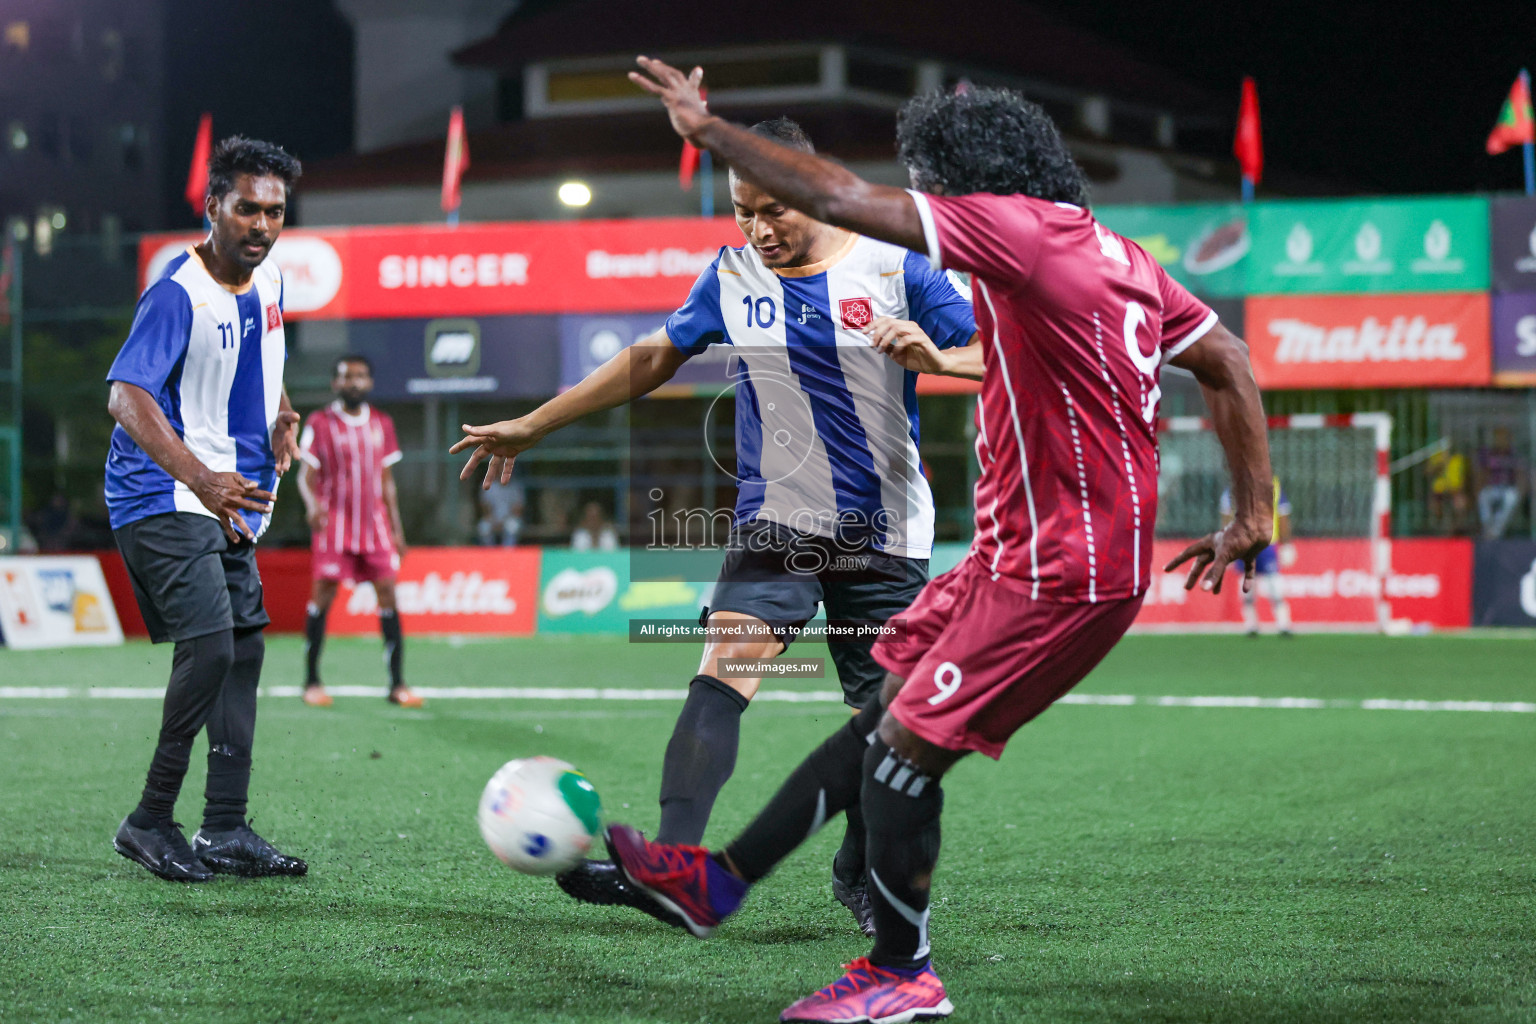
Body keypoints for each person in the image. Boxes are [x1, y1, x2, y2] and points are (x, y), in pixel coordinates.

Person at [585, 59, 1274, 1024]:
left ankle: (903, 971)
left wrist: (709, 134)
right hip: (1006, 559)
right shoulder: (1119, 254)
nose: (932, 202)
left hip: (1062, 577)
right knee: (878, 725)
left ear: (973, 182)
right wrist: (1253, 512)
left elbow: (843, 195)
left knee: (903, 750)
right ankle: (718, 882)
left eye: (936, 181)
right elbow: (1228, 358)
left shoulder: (1019, 230)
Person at [453, 116, 980, 937]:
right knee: (725, 670)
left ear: (816, 188)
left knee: (884, 728)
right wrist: (536, 423)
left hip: (886, 532)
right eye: (744, 211)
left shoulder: (897, 266)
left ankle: (856, 866)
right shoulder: (731, 276)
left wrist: (943, 359)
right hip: (777, 518)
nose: (760, 230)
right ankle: (671, 867)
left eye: (777, 209)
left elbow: (1003, 355)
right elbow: (653, 358)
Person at [104, 136, 309, 883]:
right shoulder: (176, 292)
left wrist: (281, 412)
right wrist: (202, 478)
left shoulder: (273, 277)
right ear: (214, 207)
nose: (261, 225)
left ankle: (224, 827)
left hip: (230, 496)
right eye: (247, 208)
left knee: (244, 650)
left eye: (275, 212)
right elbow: (126, 396)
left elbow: (264, 357)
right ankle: (149, 820)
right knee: (213, 648)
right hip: (162, 495)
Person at [295, 355, 421, 709]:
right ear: (336, 383)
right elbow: (305, 477)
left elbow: (387, 481)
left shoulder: (382, 423)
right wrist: (311, 505)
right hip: (334, 523)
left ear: (370, 382)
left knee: (388, 594)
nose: (354, 382)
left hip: (375, 524)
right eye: (347, 376)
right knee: (322, 594)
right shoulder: (320, 422)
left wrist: (397, 529)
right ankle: (312, 681)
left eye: (361, 376)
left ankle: (397, 685)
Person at [1221, 476, 1294, 636]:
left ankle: (1283, 624)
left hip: (1267, 543)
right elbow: (1227, 516)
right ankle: (1251, 624)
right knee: (1247, 585)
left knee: (1274, 585)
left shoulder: (1272, 485)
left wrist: (1286, 544)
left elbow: (1282, 515)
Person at [1475, 427, 1526, 540]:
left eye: (1504, 438)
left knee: (1511, 497)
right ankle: (1487, 527)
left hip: (1508, 488)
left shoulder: (1514, 453)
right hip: (1492, 487)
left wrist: (1521, 488)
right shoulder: (1489, 453)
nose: (1501, 440)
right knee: (1483, 495)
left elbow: (1520, 474)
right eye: (1498, 438)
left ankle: (1495, 532)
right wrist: (1481, 486)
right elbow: (1482, 473)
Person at [477, 476, 525, 546]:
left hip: (510, 519)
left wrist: (503, 521)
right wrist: (494, 521)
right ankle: (489, 553)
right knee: (483, 527)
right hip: (492, 519)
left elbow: (518, 509)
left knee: (513, 527)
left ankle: (508, 553)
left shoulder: (515, 486)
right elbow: (485, 508)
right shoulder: (489, 485)